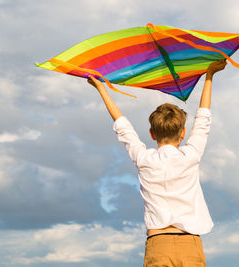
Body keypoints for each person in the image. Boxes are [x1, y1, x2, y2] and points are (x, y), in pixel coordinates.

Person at [88, 59, 227, 267]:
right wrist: (209, 75)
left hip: (158, 244)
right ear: (183, 133)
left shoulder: (145, 159)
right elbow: (203, 119)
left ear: (152, 134)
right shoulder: (191, 155)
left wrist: (101, 88)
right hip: (190, 243)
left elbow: (122, 126)